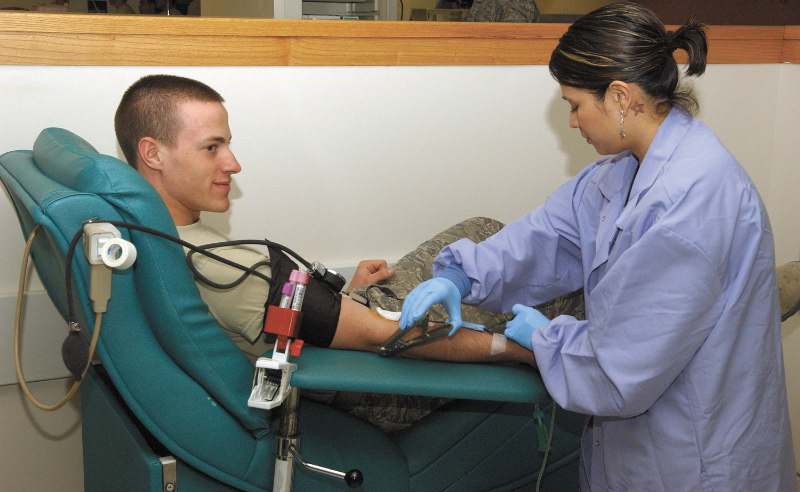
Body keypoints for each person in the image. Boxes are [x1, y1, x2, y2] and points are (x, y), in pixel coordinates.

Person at [399, 2, 797, 489]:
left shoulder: (692, 203)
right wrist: (460, 275)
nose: (572, 121)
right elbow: (546, 237)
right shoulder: (622, 170)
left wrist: (540, 338)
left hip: (698, 459)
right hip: (639, 446)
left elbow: (620, 368)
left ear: (620, 96)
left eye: (574, 104)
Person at [113, 74, 561, 432]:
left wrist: (345, 296)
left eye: (227, 144)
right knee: (548, 288)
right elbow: (378, 335)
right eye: (212, 147)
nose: (233, 163)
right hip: (369, 381)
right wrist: (522, 350)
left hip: (349, 321)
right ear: (152, 153)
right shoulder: (213, 265)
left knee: (483, 232)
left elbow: (279, 317)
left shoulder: (162, 229)